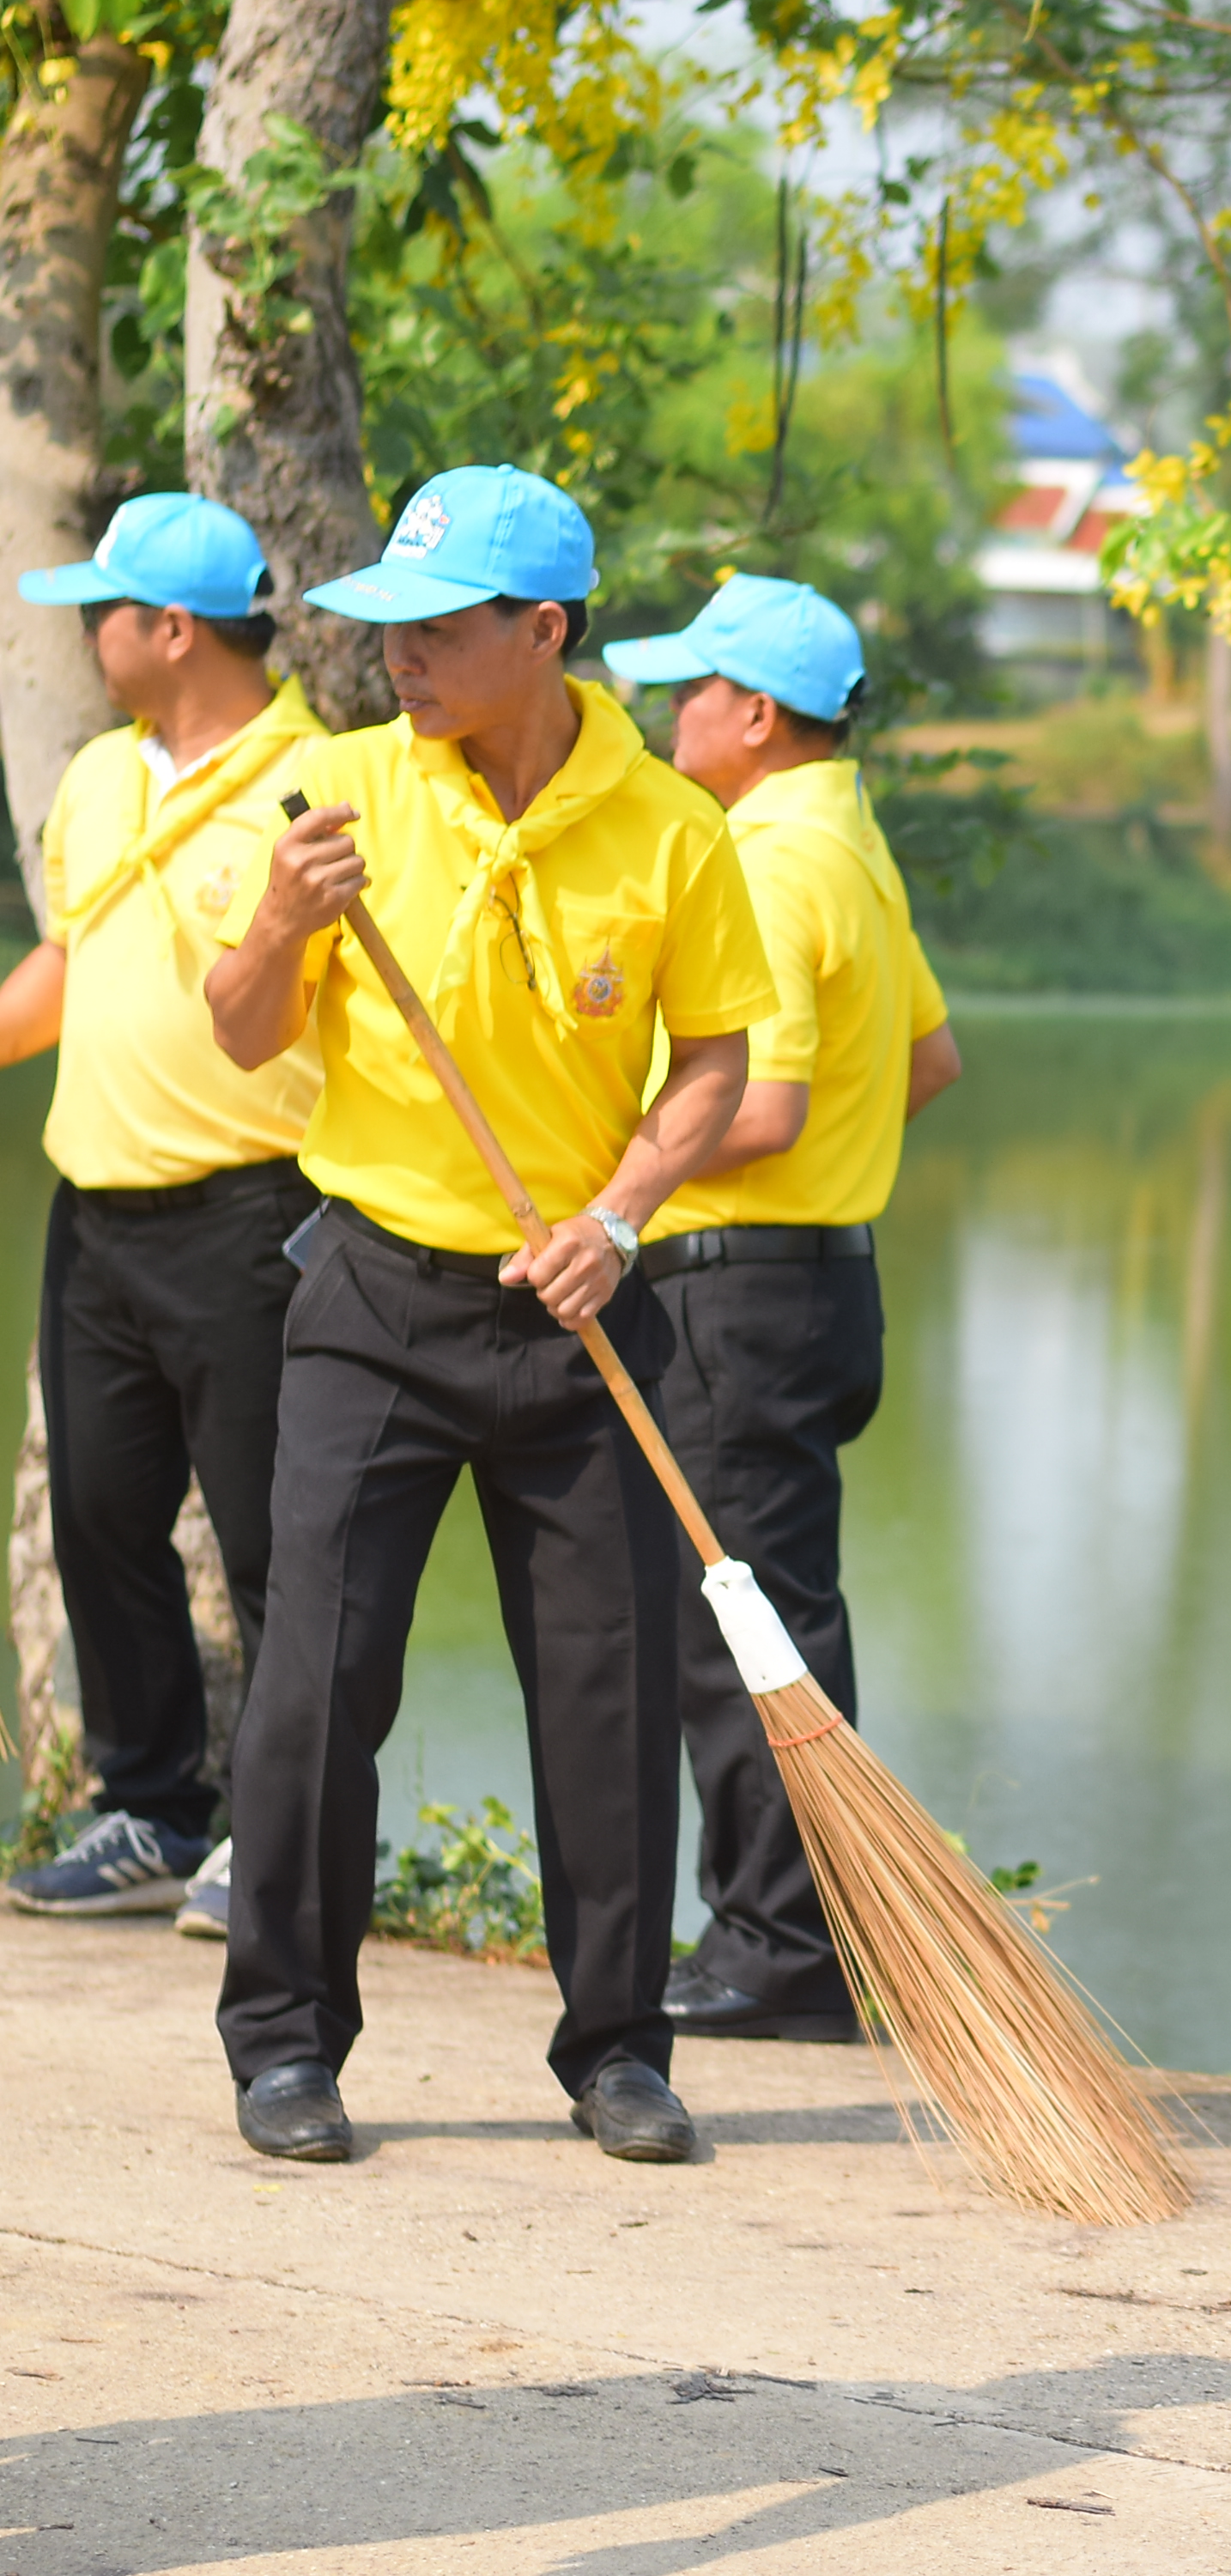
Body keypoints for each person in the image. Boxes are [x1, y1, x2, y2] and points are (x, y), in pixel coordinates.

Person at [202, 465, 779, 2167]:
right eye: (387, 631)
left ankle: (618, 2048)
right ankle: (285, 2048)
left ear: (543, 633)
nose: (402, 663)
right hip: (374, 1296)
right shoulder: (340, 794)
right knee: (313, 1681)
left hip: (579, 1313)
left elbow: (721, 1062)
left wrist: (621, 1216)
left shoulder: (674, 827)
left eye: (439, 634)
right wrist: (281, 924)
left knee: (609, 1698)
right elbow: (243, 1033)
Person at [598, 577, 962, 2044]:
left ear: (754, 715)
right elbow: (930, 1064)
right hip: (818, 1281)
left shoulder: (762, 857)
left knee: (737, 1629)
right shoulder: (851, 845)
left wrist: (614, 1173)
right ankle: (797, 1931)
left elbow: (769, 1098)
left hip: (740, 1292)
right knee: (774, 1611)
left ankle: (779, 1947)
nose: (666, 710)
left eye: (689, 689)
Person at [0, 496, 321, 1932]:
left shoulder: (315, 785)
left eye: (102, 609)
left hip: (253, 1218)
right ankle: (146, 1808)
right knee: (104, 1522)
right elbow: (71, 965)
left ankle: (289, 1836)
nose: (85, 632)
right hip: (100, 1216)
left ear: (171, 629)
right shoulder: (97, 782)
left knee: (273, 1540)